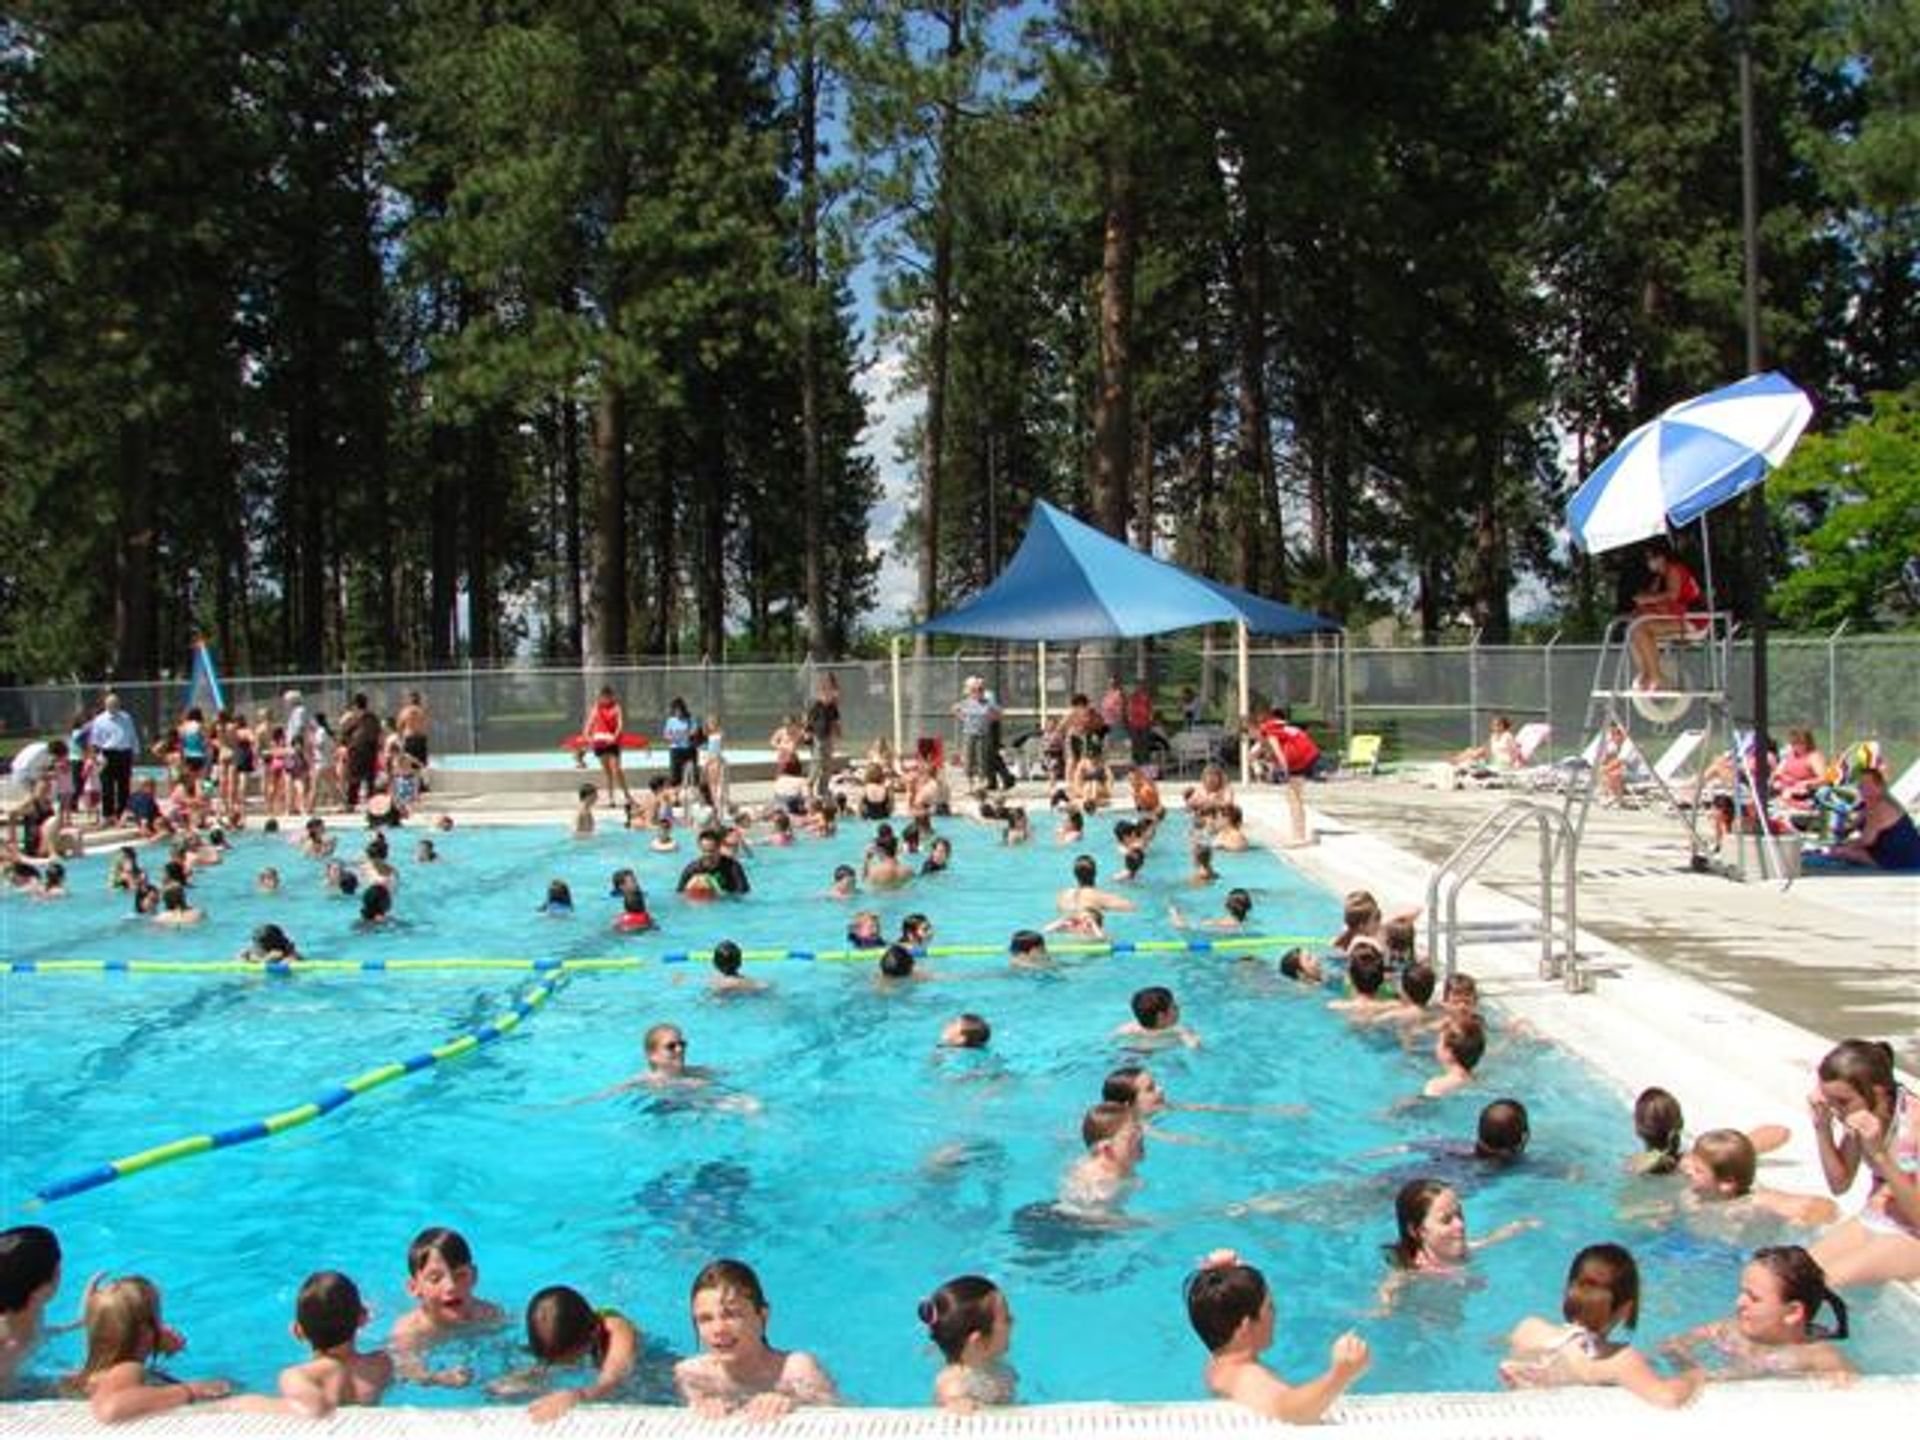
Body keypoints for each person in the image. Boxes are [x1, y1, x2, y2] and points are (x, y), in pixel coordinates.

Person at [1498, 1244, 1703, 1407]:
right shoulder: (1618, 1359)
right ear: (1626, 1309)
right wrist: (1692, 1374)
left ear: (1569, 1292)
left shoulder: (1528, 1328)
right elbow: (1668, 1399)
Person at [1185, 1250, 1370, 1423]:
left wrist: (1229, 1271)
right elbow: (1293, 1412)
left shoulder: (1218, 1360)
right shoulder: (1247, 1377)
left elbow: (1220, 1301)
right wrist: (1341, 1374)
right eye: (1269, 1308)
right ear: (1246, 1325)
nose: (1275, 1314)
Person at [1807, 1038, 1920, 1286]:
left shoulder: (1914, 1124)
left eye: (1842, 1102)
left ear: (1877, 1092)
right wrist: (1822, 1129)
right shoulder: (1861, 1115)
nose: (1836, 1110)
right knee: (1793, 1279)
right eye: (1830, 1101)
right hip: (1877, 1217)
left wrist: (1879, 1154)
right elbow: (1840, 1184)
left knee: (1825, 1285)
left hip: (1914, 1234)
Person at [673, 1259, 840, 1419]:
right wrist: (700, 1411)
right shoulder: (691, 1375)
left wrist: (796, 1406)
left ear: (762, 1316)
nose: (719, 1329)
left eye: (731, 1315)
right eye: (705, 1319)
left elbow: (845, 1422)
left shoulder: (797, 1371)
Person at [1660, 1246, 1854, 1381]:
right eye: (1742, 1292)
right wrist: (1693, 1371)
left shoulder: (1816, 1356)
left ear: (1793, 1312)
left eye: (1753, 1297)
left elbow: (1853, 1390)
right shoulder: (1729, 1331)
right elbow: (1671, 1345)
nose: (1739, 1302)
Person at [63, 1276, 233, 1421]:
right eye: (158, 1317)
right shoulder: (129, 1367)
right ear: (146, 1332)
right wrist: (191, 1390)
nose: (165, 1326)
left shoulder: (89, 1373)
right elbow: (111, 1408)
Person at [503, 1284, 640, 1424]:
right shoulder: (565, 1338)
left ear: (592, 1335)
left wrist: (578, 1396)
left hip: (649, 1367)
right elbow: (539, 1369)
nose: (565, 1365)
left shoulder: (618, 1332)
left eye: (568, 1359)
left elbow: (612, 1382)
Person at [389, 1226, 504, 1386]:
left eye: (460, 1275)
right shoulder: (410, 1330)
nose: (451, 1286)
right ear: (414, 1288)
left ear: (474, 1276)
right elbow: (406, 1370)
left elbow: (506, 1354)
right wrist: (438, 1378)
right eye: (436, 1279)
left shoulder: (489, 1315)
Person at [275, 1271, 393, 1418]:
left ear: (298, 1331)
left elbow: (312, 1409)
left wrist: (242, 1402)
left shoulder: (297, 1376)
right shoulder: (383, 1364)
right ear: (363, 1318)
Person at [1678, 1129, 1838, 1226]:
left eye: (1698, 1170)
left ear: (1726, 1183)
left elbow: (1828, 1208)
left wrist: (1801, 1221)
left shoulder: (1751, 1203)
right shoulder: (1691, 1173)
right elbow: (1780, 1131)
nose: (1688, 1170)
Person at [920, 1276, 1015, 1412]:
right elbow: (952, 1405)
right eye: (1007, 1319)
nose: (1013, 1322)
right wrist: (958, 1403)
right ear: (978, 1342)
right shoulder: (954, 1385)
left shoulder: (988, 1359)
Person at [1628, 535, 1706, 691]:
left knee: (1640, 629)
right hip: (1679, 617)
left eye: (1651, 557)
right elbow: (1653, 602)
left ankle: (1657, 677)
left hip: (1693, 620)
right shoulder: (1659, 577)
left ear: (1662, 556)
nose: (1649, 562)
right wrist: (1643, 602)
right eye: (1648, 558)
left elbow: (1673, 595)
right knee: (1633, 625)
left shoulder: (1674, 569)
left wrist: (1647, 599)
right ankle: (1647, 673)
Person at [1817, 767, 1920, 870]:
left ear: (1879, 787)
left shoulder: (1879, 808)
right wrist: (1844, 831)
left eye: (1866, 785)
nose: (1861, 788)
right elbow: (1852, 827)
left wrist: (1843, 847)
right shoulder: (1872, 804)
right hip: (1905, 853)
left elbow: (1866, 841)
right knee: (1840, 849)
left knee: (1840, 852)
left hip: (1900, 860)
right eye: (1861, 785)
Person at [0, 1225, 61, 1397]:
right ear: (39, 1291)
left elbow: (41, 1333)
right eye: (57, 1270)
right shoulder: (6, 1353)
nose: (59, 1272)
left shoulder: (33, 1308)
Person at [1059, 1102, 1146, 1216]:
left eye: (1140, 1138)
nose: (1139, 1137)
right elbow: (1092, 1219)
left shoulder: (1119, 1168)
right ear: (1107, 1149)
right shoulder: (1100, 1184)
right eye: (1132, 1139)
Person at [85, 692, 140, 823]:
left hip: (124, 753)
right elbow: (94, 740)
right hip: (107, 754)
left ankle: (122, 813)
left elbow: (132, 735)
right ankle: (108, 814)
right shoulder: (99, 720)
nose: (115, 706)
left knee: (124, 786)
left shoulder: (126, 717)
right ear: (106, 705)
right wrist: (94, 757)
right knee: (107, 786)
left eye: (116, 703)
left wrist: (136, 751)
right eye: (111, 704)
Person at [953, 676, 1001, 793]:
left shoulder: (987, 703)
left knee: (982, 760)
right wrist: (963, 718)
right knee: (969, 759)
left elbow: (999, 713)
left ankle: (981, 783)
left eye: (980, 690)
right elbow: (954, 709)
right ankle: (970, 784)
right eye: (975, 690)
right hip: (969, 734)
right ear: (971, 691)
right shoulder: (967, 702)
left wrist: (990, 719)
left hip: (983, 735)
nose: (978, 692)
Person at [1114, 985, 1200, 1050]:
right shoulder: (1179, 1031)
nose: (1179, 1008)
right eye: (1174, 1007)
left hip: (1135, 1050)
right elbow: (1194, 1049)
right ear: (1162, 1016)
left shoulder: (1128, 1029)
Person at [1056, 853, 1135, 914]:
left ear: (1074, 874)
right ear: (1095, 873)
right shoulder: (1100, 897)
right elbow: (1131, 908)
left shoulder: (1062, 895)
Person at [805, 673, 841, 801]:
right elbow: (809, 720)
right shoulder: (816, 705)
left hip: (828, 737)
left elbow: (835, 720)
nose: (835, 695)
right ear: (824, 692)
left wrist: (838, 732)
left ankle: (823, 788)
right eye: (831, 692)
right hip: (818, 737)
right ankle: (809, 786)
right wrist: (808, 733)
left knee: (828, 765)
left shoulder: (832, 706)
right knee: (818, 761)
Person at [1452, 715, 1520, 772]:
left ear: (1503, 726)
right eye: (1494, 725)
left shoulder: (1507, 735)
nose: (1495, 727)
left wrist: (1514, 765)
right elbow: (1485, 747)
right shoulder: (1493, 736)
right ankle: (1456, 761)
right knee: (1470, 751)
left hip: (1504, 763)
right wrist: (1477, 753)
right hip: (1494, 759)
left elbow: (1515, 752)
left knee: (1475, 754)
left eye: (1497, 725)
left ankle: (1455, 761)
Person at [663, 697, 698, 792]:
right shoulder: (670, 721)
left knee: (693, 774)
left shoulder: (690, 720)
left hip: (689, 750)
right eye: (675, 710)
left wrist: (683, 736)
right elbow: (666, 735)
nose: (677, 712)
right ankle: (676, 797)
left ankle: (693, 794)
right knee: (675, 775)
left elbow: (693, 732)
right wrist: (676, 737)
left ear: (683, 709)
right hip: (675, 750)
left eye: (679, 710)